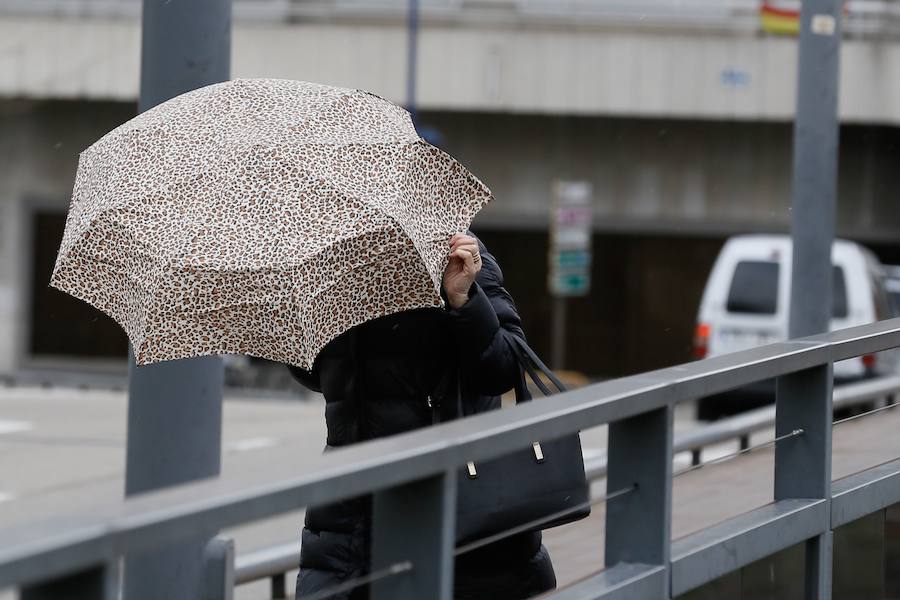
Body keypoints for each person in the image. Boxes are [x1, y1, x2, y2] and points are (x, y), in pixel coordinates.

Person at [287, 231, 556, 599]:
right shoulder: (326, 265)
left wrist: (464, 299)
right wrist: (305, 322)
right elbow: (319, 378)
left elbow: (505, 367)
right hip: (351, 516)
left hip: (456, 507)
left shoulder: (456, 252)